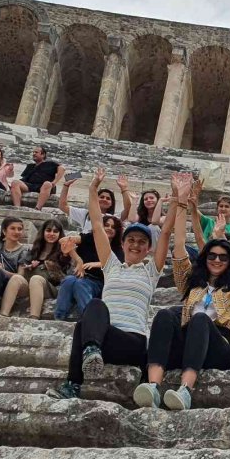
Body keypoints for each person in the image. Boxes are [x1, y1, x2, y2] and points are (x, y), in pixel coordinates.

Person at [134, 177, 230, 410]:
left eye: (223, 257)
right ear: (204, 259)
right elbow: (178, 249)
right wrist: (182, 203)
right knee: (165, 315)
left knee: (199, 319)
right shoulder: (192, 283)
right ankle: (153, 386)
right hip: (189, 342)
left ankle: (186, 390)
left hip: (220, 346)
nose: (217, 260)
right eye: (212, 256)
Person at [46, 168, 177, 400]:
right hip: (104, 339)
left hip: (132, 341)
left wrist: (177, 198)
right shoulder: (112, 265)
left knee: (91, 314)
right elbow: (97, 225)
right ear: (123, 244)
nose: (135, 245)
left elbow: (165, 233)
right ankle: (75, 381)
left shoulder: (151, 271)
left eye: (141, 242)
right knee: (91, 312)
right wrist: (93, 188)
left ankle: (77, 376)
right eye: (131, 240)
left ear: (148, 249)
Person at [54, 215, 125, 320]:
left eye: (113, 227)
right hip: (81, 276)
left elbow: (118, 264)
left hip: (99, 282)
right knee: (68, 280)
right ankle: (59, 317)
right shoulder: (89, 238)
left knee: (80, 284)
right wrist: (79, 260)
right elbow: (63, 241)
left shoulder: (117, 248)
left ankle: (89, 320)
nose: (109, 228)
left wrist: (96, 264)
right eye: (106, 225)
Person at [1, 219, 71, 318]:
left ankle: (34, 316)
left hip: (51, 288)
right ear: (43, 232)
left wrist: (47, 265)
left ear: (60, 234)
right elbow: (23, 270)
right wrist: (29, 267)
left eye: (55, 231)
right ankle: (3, 314)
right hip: (30, 285)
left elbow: (62, 272)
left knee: (36, 278)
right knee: (16, 278)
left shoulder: (63, 251)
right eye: (48, 230)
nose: (51, 234)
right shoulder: (34, 251)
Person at [10, 145, 64, 210]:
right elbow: (24, 179)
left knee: (47, 184)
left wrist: (54, 182)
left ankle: (37, 208)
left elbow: (62, 168)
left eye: (36, 152)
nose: (34, 154)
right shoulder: (30, 166)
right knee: (15, 182)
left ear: (43, 155)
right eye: (33, 152)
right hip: (30, 185)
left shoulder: (50, 164)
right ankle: (17, 207)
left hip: (44, 186)